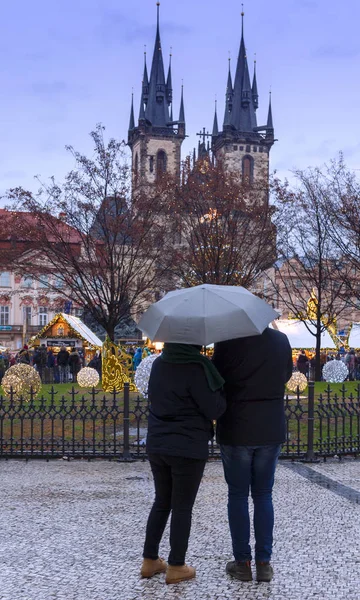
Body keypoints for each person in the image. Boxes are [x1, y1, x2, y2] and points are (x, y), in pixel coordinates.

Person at [212, 327, 293, 583]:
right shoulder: (280, 340)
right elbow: (287, 375)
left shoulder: (227, 340)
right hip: (270, 427)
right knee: (263, 494)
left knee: (237, 495)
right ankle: (264, 563)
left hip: (237, 427)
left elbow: (217, 379)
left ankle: (242, 562)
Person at [141, 343, 226, 585]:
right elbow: (214, 408)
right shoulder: (196, 368)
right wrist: (222, 394)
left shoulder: (159, 363)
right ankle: (177, 565)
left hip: (158, 443)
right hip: (187, 446)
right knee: (181, 507)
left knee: (162, 501)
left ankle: (150, 561)